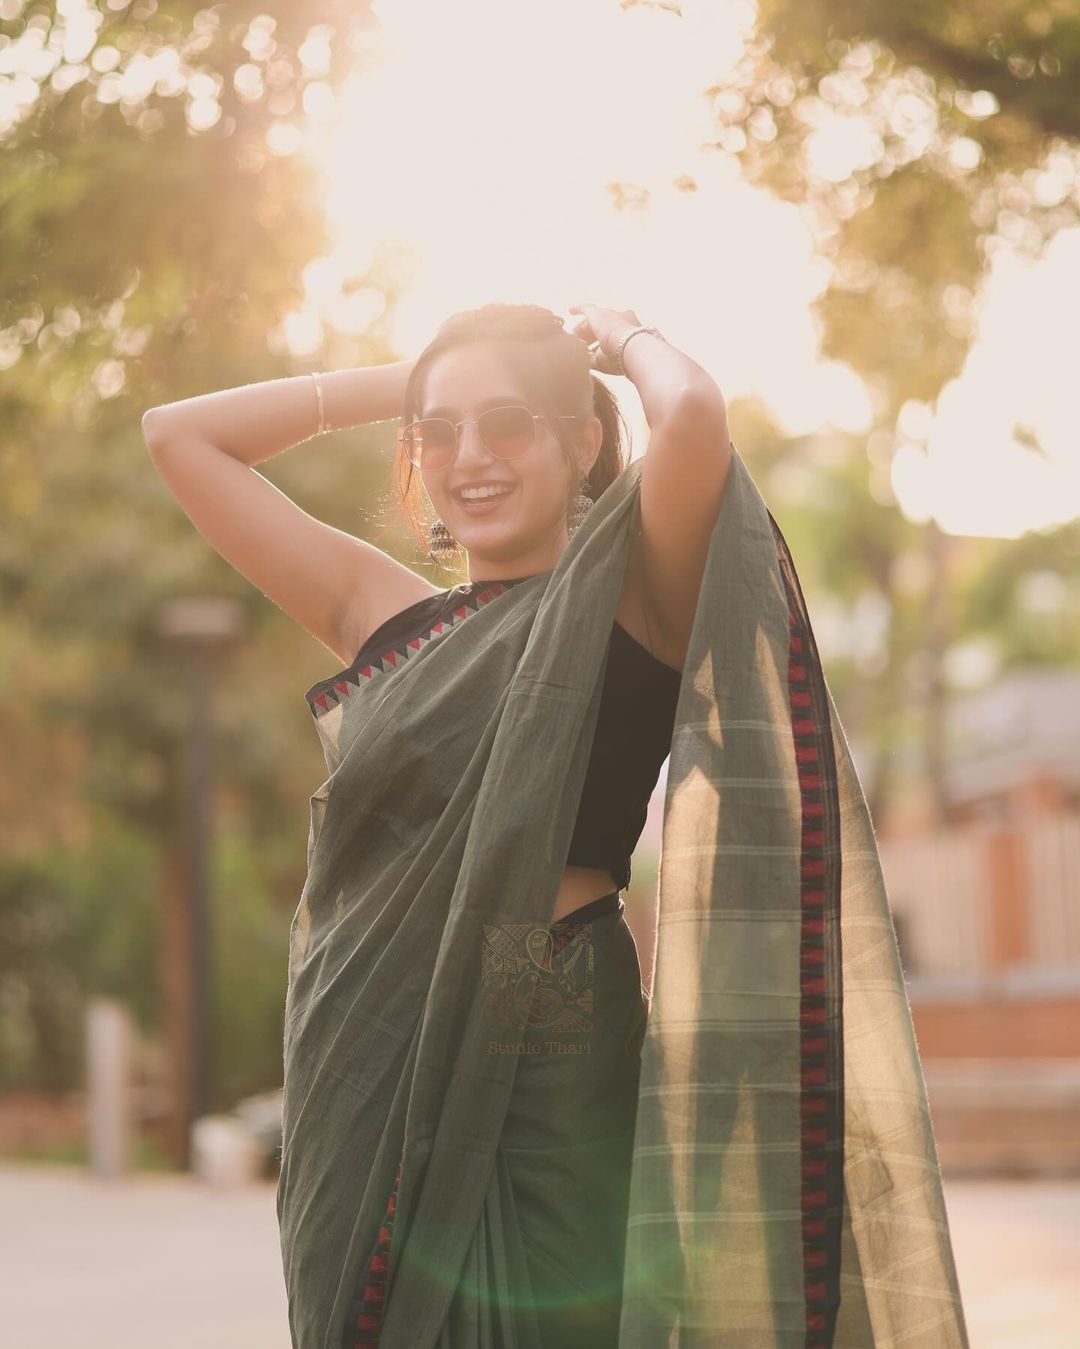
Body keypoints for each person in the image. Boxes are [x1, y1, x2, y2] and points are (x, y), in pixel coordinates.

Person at [142, 302, 971, 1348]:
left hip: (553, 1047)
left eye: (509, 424)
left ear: (583, 439)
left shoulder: (631, 600)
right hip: (365, 1053)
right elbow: (179, 434)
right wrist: (424, 378)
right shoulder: (382, 615)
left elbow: (695, 416)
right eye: (437, 434)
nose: (468, 457)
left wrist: (625, 340)